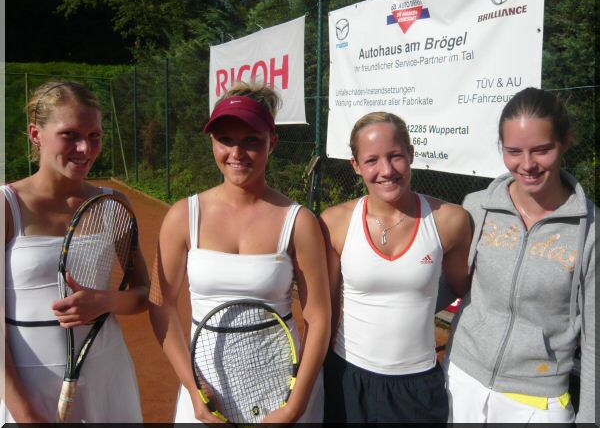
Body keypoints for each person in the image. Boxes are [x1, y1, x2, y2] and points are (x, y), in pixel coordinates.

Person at [148, 81, 330, 423]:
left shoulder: (299, 222)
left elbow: (319, 318)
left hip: (280, 387)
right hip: (207, 387)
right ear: (212, 142)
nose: (237, 153)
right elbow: (161, 305)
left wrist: (295, 406)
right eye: (225, 140)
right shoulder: (182, 216)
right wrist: (194, 388)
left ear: (272, 142)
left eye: (251, 141)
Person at [445, 87, 597, 424]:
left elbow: (595, 338)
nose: (527, 165)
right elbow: (448, 285)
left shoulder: (591, 230)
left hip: (538, 399)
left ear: (565, 141)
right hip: (462, 378)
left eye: (542, 150)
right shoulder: (476, 206)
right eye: (514, 151)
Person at [2, 81, 149, 423]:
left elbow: (143, 294)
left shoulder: (113, 203)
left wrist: (105, 301)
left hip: (105, 375)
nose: (85, 148)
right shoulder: (7, 206)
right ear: (36, 134)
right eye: (69, 135)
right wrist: (26, 414)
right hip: (28, 387)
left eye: (94, 135)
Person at [319, 111, 472, 423]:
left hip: (418, 385)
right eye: (372, 160)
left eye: (395, 156)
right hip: (347, 376)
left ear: (411, 154)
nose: (386, 170)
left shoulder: (450, 220)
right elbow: (326, 311)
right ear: (356, 165)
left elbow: (466, 290)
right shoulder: (334, 222)